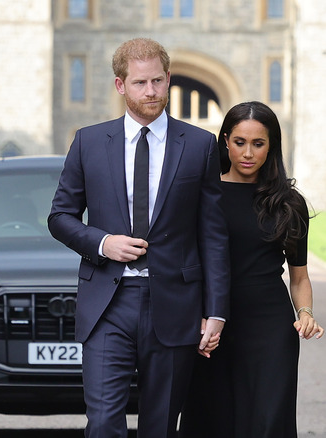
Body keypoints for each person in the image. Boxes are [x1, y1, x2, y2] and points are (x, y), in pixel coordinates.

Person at [48, 38, 230, 437]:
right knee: (103, 423)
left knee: (161, 425)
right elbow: (60, 217)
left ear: (168, 79)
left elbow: (212, 234)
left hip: (175, 304)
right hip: (107, 305)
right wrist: (102, 243)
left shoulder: (199, 145)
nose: (151, 92)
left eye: (159, 81)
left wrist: (216, 311)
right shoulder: (89, 142)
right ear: (120, 86)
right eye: (140, 83)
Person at [179, 101, 324, 438]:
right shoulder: (201, 193)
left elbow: (299, 277)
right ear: (225, 141)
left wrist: (305, 312)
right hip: (211, 325)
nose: (247, 153)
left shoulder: (289, 202)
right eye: (239, 142)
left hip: (270, 329)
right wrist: (196, 317)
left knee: (267, 422)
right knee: (210, 420)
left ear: (271, 145)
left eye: (258, 143)